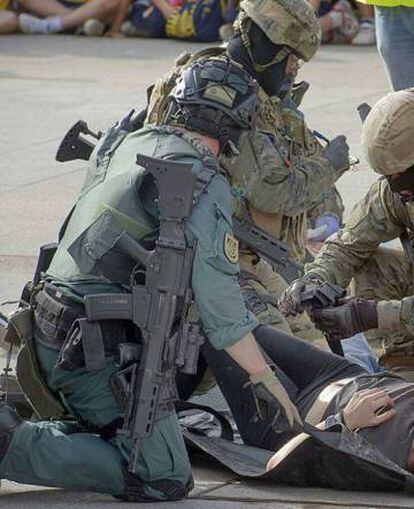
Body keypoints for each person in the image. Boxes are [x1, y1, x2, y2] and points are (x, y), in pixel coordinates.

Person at [0, 58, 304, 501]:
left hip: (46, 336)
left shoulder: (123, 143)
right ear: (235, 130)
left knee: (122, 435)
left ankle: (28, 432)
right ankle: (11, 445)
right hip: (93, 355)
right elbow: (221, 308)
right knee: (163, 477)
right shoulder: (201, 180)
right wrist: (264, 377)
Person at [145, 0, 351, 344]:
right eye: (291, 57)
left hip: (257, 259)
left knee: (319, 343)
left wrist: (327, 213)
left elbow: (302, 154)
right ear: (266, 44)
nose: (294, 70)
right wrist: (330, 166)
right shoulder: (223, 95)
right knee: (291, 360)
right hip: (220, 261)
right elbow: (273, 192)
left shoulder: (257, 91)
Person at [278, 88, 414, 381]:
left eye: (402, 175)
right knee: (371, 263)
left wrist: (372, 315)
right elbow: (350, 245)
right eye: (388, 177)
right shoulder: (400, 190)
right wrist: (317, 279)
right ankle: (404, 369)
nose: (394, 186)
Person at [194, 324, 414, 490]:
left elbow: (277, 462)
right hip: (341, 375)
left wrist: (343, 421)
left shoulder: (380, 465)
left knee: (217, 326)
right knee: (239, 319)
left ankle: (161, 417)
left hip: (289, 417)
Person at [18, 0, 120, 35]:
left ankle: (48, 26)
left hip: (94, 7)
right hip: (58, 6)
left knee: (111, 2)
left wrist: (115, 29)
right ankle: (78, 23)